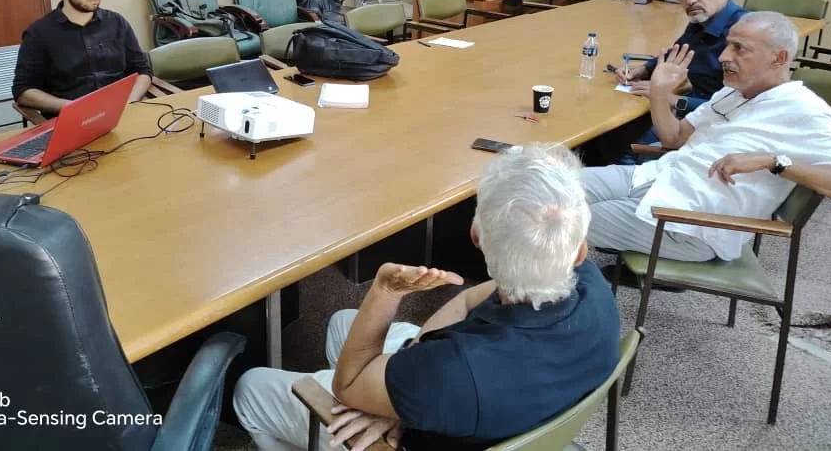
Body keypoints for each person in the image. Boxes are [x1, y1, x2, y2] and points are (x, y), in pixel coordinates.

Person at [234, 143, 620, 451]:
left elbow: (346, 386)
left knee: (250, 388)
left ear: (476, 237)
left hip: (445, 404)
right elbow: (467, 303)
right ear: (579, 250)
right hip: (490, 400)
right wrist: (406, 391)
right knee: (341, 324)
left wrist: (385, 291)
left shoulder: (453, 372)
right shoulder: (591, 287)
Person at [586, 12, 831, 263]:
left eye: (739, 48)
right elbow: (674, 138)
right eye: (727, 45)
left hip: (688, 222)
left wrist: (773, 161)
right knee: (560, 184)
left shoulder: (806, 111)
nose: (723, 56)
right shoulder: (732, 93)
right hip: (657, 178)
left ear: (779, 58)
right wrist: (659, 92)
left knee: (566, 221)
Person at [12, 0, 152, 116]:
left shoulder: (117, 23)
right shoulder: (39, 34)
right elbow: (23, 90)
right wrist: (72, 107)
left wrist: (130, 101)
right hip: (73, 117)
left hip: (123, 111)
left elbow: (143, 70)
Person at [616, 0, 746, 110]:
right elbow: (676, 54)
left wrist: (670, 98)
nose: (690, 0)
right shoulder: (700, 21)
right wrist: (645, 69)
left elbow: (738, 107)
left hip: (710, 120)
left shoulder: (746, 34)